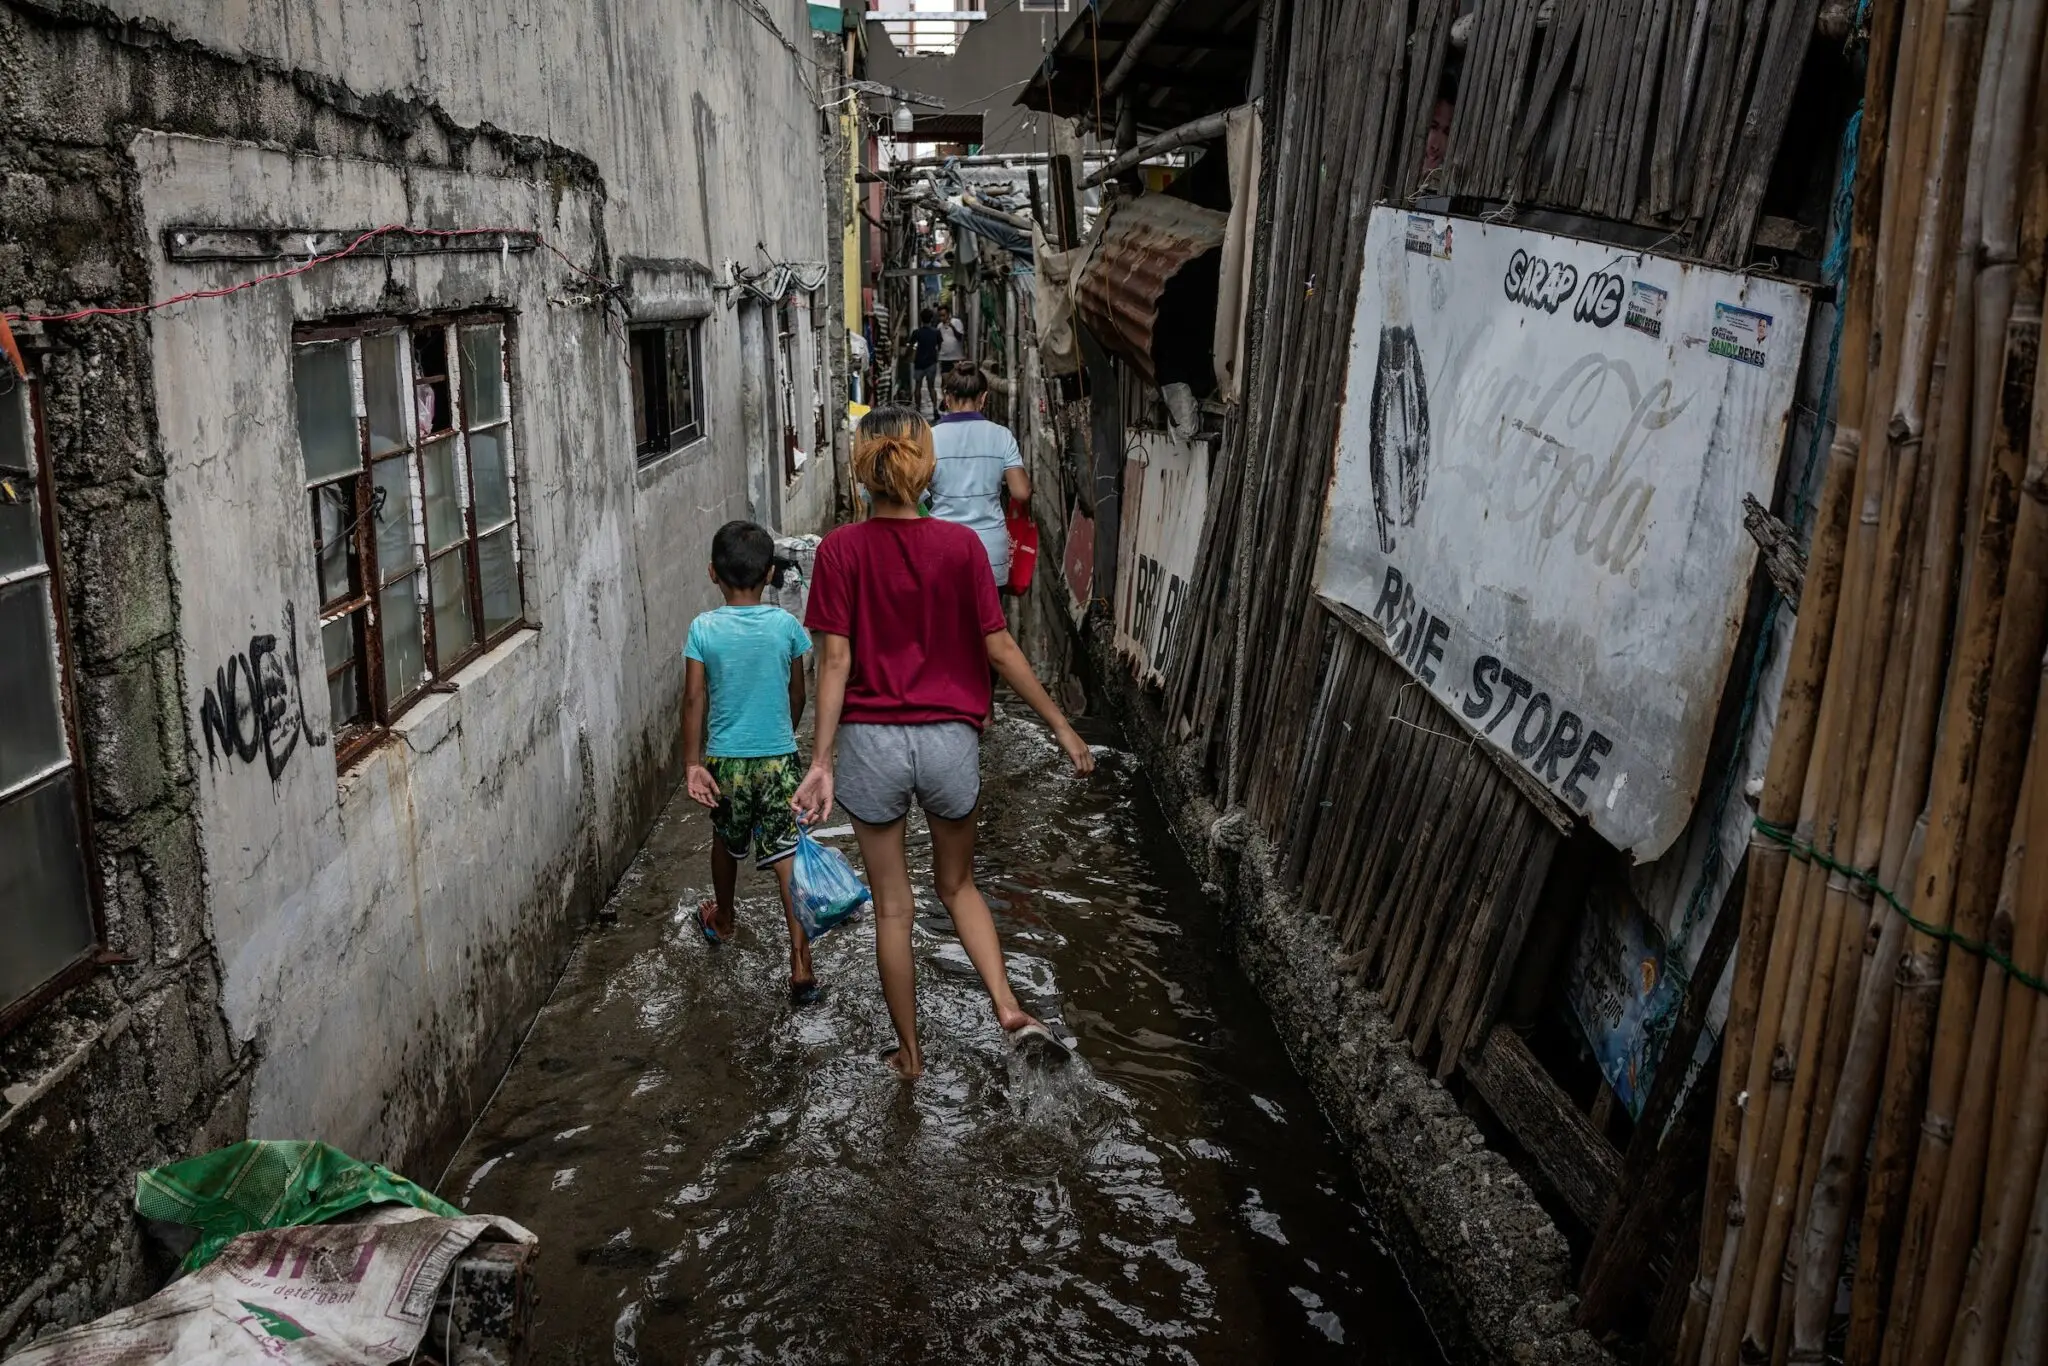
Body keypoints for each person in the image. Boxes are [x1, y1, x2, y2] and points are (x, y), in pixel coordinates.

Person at [793, 407, 1094, 1079]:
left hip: (871, 744)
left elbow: (834, 664)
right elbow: (1001, 648)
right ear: (925, 467)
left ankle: (910, 1055)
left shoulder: (840, 550)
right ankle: (1010, 1009)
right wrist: (1064, 727)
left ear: (862, 468)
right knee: (958, 886)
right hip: (951, 742)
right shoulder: (961, 548)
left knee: (894, 909)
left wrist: (821, 762)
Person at [682, 521, 821, 1005]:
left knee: (725, 839)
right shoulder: (787, 627)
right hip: (778, 758)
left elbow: (694, 698)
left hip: (726, 762)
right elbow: (799, 693)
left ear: (711, 574)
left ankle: (723, 918)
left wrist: (692, 763)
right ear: (769, 575)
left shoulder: (703, 628)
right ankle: (800, 964)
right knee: (787, 856)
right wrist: (785, 733)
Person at [928, 361, 1029, 586]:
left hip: (942, 550)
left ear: (947, 398)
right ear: (983, 398)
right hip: (990, 554)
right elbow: (1021, 492)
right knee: (989, 621)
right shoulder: (1002, 436)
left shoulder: (929, 438)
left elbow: (914, 493)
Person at [908, 308, 943, 417]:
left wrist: (908, 356)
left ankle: (918, 410)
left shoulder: (917, 332)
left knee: (918, 386)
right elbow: (939, 346)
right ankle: (935, 409)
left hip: (919, 362)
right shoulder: (936, 332)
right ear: (931, 319)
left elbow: (910, 345)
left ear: (921, 319)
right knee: (931, 387)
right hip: (931, 362)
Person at [936, 302, 967, 368]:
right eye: (940, 316)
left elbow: (960, 337)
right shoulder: (939, 326)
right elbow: (938, 342)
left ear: (948, 314)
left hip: (956, 358)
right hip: (944, 358)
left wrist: (952, 327)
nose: (942, 318)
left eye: (944, 315)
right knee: (945, 377)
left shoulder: (956, 322)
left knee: (957, 377)